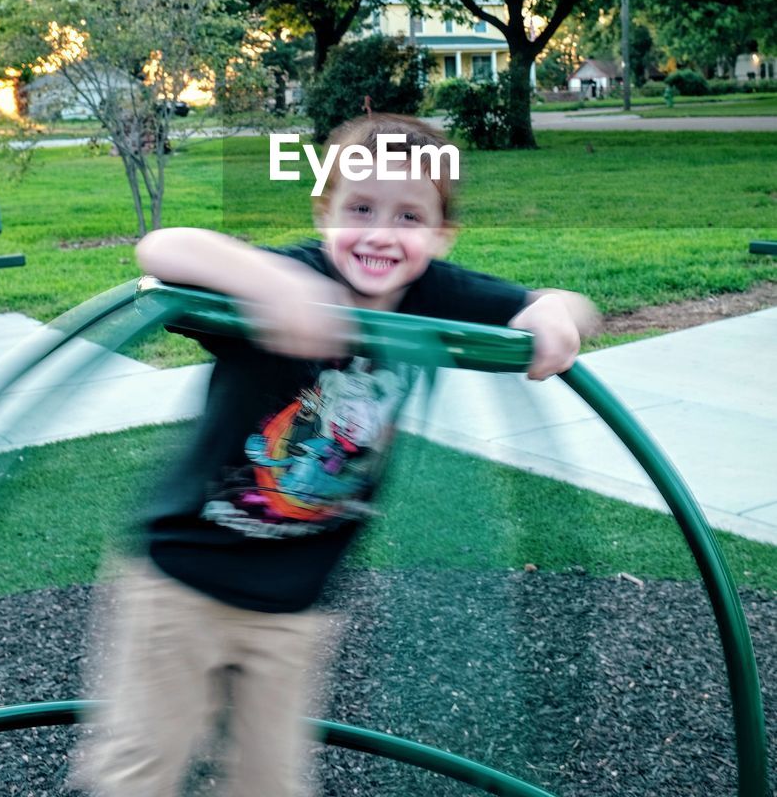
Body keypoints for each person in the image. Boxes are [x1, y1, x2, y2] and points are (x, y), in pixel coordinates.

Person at [75, 113, 597, 797]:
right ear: (323, 214)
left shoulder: (434, 296)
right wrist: (272, 284)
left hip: (295, 603)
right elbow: (164, 248)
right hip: (181, 585)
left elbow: (562, 304)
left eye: (409, 216)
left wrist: (553, 317)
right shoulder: (285, 277)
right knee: (138, 770)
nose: (381, 233)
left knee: (272, 785)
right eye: (359, 209)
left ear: (441, 234)